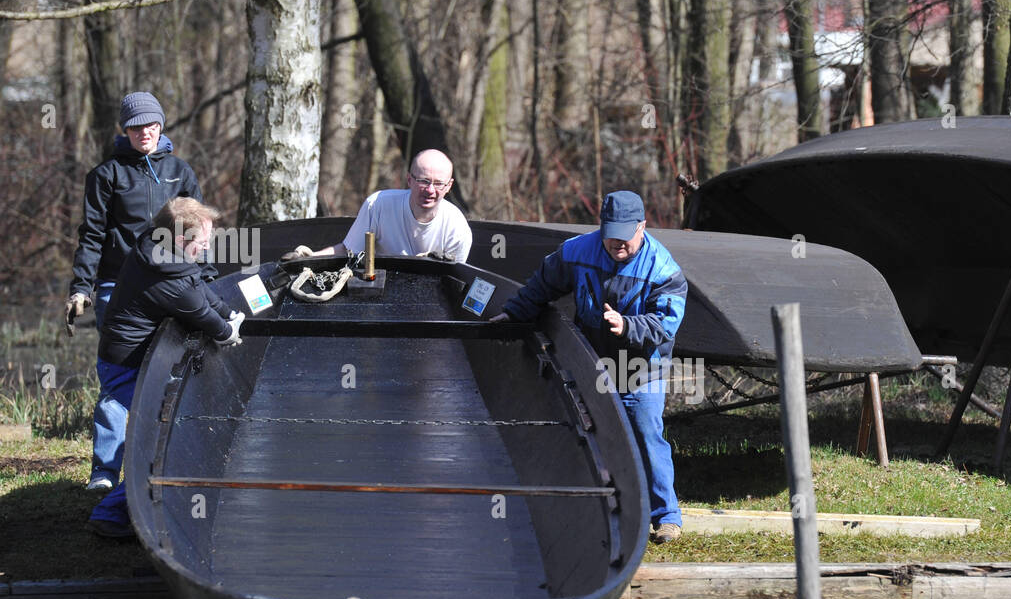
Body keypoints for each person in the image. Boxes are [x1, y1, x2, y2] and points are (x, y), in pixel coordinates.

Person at [490, 191, 688, 544]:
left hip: (640, 364)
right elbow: (542, 285)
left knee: (645, 430)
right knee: (587, 430)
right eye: (609, 232)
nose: (616, 242)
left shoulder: (664, 270)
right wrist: (515, 313)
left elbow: (664, 327)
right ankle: (597, 504)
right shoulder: (577, 251)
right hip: (592, 358)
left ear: (643, 226)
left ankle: (667, 516)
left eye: (625, 234)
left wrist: (628, 327)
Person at [67, 91, 203, 493]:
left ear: (161, 126)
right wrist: (81, 287)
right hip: (117, 291)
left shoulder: (181, 172)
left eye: (152, 123)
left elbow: (199, 234)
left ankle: (164, 464)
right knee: (119, 380)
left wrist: (206, 279)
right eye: (137, 125)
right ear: (124, 130)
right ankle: (105, 475)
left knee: (174, 376)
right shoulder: (106, 176)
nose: (145, 131)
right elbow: (91, 236)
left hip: (173, 286)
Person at [88, 197, 244, 540]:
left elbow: (200, 290)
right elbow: (201, 314)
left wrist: (227, 309)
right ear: (179, 240)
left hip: (133, 357)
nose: (207, 247)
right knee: (162, 438)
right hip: (125, 367)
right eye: (202, 242)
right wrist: (226, 330)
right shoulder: (167, 280)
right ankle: (110, 514)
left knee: (167, 433)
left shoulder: (160, 249)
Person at [288, 149, 472, 262]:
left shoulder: (457, 228)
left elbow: (455, 282)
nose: (430, 190)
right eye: (423, 181)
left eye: (438, 183)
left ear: (449, 186)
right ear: (409, 179)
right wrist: (308, 259)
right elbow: (348, 251)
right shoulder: (378, 205)